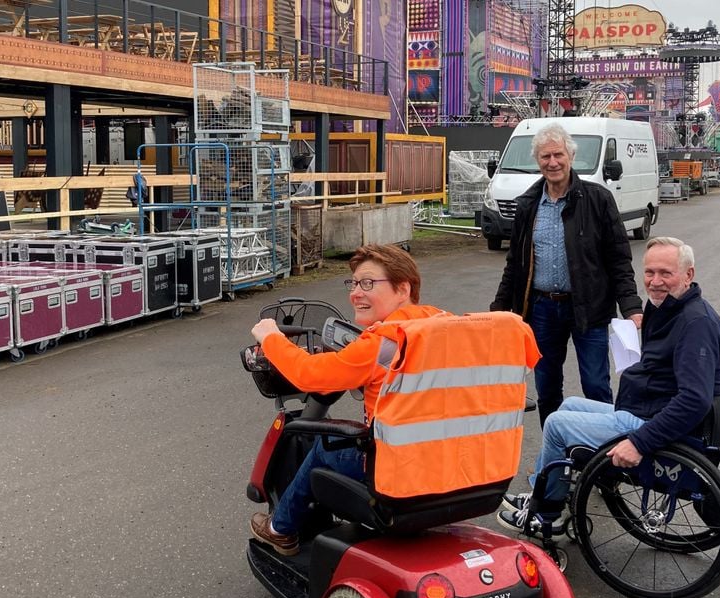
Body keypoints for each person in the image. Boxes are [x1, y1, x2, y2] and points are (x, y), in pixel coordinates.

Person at [498, 237, 720, 530]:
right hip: (645, 408)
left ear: (688, 275)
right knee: (570, 404)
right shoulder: (668, 308)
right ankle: (542, 490)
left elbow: (694, 400)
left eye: (665, 273)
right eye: (649, 272)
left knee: (557, 424)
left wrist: (638, 442)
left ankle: (548, 513)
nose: (655, 281)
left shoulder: (696, 324)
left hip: (655, 424)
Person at [249, 245, 445, 556]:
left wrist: (271, 336)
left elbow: (309, 374)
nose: (355, 293)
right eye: (353, 283)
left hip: (397, 474)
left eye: (368, 283)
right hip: (453, 465)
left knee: (327, 440)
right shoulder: (444, 327)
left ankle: (280, 529)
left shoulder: (381, 343)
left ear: (403, 288)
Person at [491, 122, 643, 427]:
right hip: (542, 310)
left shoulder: (597, 199)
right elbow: (515, 263)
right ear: (538, 161)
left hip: (589, 307)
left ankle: (601, 459)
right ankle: (555, 455)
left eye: (558, 154)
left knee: (596, 387)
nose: (552, 162)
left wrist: (631, 306)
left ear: (570, 156)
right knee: (547, 389)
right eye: (545, 157)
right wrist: (498, 310)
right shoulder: (529, 205)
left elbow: (618, 258)